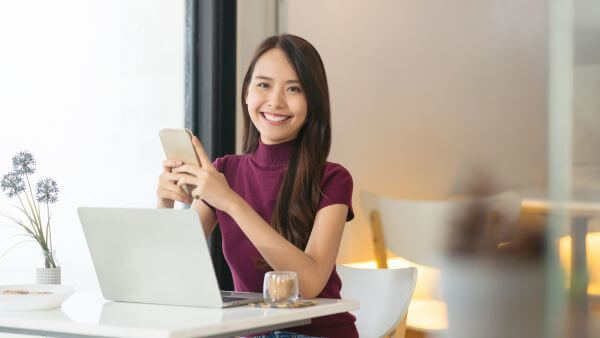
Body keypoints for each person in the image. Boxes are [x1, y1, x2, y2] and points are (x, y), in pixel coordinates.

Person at [156, 34, 358, 337]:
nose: (275, 101)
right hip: (249, 332)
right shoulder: (224, 172)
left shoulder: (333, 179)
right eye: (263, 85)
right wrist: (165, 204)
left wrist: (231, 203)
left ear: (312, 102)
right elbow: (168, 267)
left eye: (293, 89)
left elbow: (310, 282)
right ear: (246, 93)